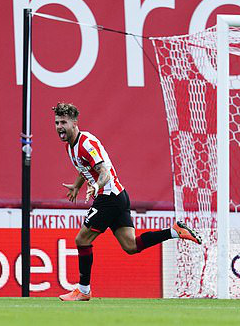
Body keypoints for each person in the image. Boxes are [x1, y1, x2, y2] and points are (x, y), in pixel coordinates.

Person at [53, 102, 202, 301]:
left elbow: (104, 172)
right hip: (118, 196)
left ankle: (83, 290)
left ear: (74, 123)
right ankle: (175, 231)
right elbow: (84, 167)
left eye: (63, 122)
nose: (59, 126)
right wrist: (77, 185)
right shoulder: (70, 147)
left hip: (109, 197)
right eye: (56, 122)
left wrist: (96, 186)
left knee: (82, 240)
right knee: (131, 246)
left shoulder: (86, 143)